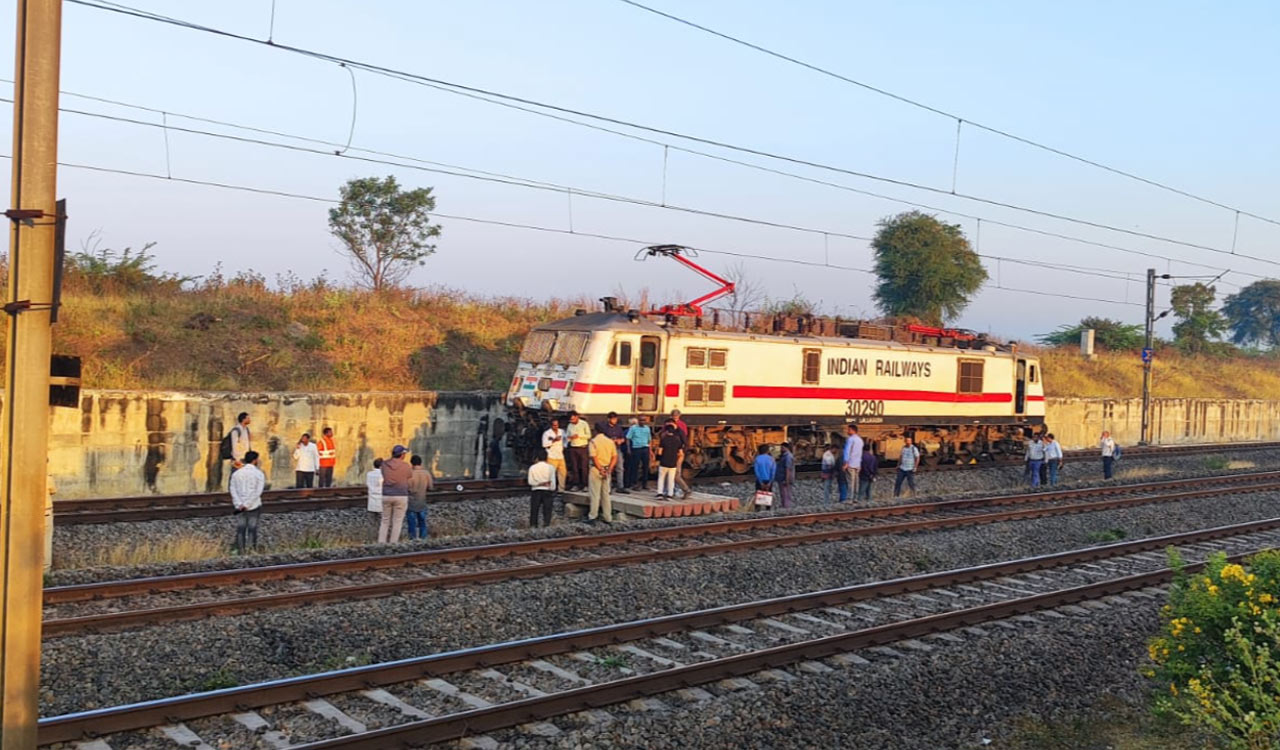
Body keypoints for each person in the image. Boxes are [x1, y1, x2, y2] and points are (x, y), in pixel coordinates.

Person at [229, 450, 265, 554]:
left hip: (239, 507)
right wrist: (247, 504)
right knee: (252, 528)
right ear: (255, 460)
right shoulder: (259, 474)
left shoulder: (236, 474)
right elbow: (258, 492)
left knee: (241, 528)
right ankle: (251, 550)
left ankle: (241, 550)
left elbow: (232, 489)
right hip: (253, 506)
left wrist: (239, 503)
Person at [378, 445, 412, 543]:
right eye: (404, 453)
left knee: (385, 520)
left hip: (386, 494)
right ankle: (393, 543)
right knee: (397, 521)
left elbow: (383, 473)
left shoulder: (384, 464)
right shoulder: (406, 466)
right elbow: (409, 475)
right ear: (401, 455)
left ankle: (381, 542)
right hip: (401, 495)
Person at [587, 427, 617, 523]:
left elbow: (594, 457)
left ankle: (593, 516)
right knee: (606, 494)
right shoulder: (610, 442)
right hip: (607, 469)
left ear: (596, 431)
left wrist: (600, 469)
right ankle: (608, 517)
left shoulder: (593, 442)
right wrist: (609, 469)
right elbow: (615, 457)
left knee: (595, 494)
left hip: (596, 469)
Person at [600, 412, 630, 494]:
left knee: (620, 468)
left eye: (615, 419)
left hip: (617, 449)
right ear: (609, 419)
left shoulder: (618, 428)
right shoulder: (604, 428)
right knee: (609, 468)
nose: (615, 420)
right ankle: (607, 487)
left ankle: (620, 486)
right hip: (608, 450)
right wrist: (611, 441)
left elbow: (623, 438)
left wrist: (620, 441)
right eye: (613, 419)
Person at [527, 448, 557, 528]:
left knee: (534, 509)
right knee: (547, 509)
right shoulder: (551, 468)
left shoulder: (532, 468)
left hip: (536, 491)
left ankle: (533, 524)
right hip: (547, 490)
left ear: (537, 457)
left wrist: (538, 484)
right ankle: (546, 524)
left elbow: (530, 482)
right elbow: (553, 482)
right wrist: (551, 488)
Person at [407, 454, 433, 540]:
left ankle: (412, 538)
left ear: (411, 463)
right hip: (422, 501)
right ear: (420, 463)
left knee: (411, 523)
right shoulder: (426, 473)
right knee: (422, 522)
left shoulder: (409, 474)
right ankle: (423, 538)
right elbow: (430, 487)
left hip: (411, 502)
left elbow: (406, 487)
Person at [655, 421, 683, 500]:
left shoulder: (664, 440)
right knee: (671, 479)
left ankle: (660, 493)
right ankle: (669, 495)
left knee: (661, 478)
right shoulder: (678, 440)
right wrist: (677, 460)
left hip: (664, 462)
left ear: (667, 431)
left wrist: (658, 459)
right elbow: (680, 453)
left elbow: (660, 451)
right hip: (673, 462)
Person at [565, 412, 592, 491]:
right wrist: (570, 437)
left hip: (582, 447)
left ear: (577, 417)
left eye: (573, 419)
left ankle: (585, 484)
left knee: (584, 467)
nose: (572, 421)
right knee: (574, 467)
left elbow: (589, 435)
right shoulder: (569, 425)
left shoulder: (584, 424)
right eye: (571, 420)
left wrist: (579, 436)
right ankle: (576, 484)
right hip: (573, 447)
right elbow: (567, 436)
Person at [626, 415, 653, 491]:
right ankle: (634, 483)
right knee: (635, 466)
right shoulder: (633, 428)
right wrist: (629, 449)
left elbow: (649, 440)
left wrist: (650, 451)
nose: (642, 422)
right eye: (641, 420)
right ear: (638, 420)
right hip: (636, 448)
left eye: (644, 420)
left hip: (645, 448)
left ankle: (645, 484)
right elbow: (628, 438)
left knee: (645, 467)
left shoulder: (647, 428)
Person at [670, 409, 693, 499]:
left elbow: (683, 439)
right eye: (674, 416)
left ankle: (686, 490)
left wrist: (681, 450)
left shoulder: (680, 426)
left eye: (676, 416)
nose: (675, 417)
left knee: (675, 474)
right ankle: (673, 491)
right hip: (673, 451)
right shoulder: (677, 425)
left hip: (677, 451)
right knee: (673, 473)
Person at [541, 418, 567, 491]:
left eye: (557, 425)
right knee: (551, 474)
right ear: (551, 425)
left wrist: (565, 446)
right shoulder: (547, 433)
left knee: (563, 473)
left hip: (560, 456)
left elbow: (565, 440)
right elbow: (544, 444)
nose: (555, 426)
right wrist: (554, 440)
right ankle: (551, 489)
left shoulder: (562, 431)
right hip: (552, 456)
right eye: (554, 425)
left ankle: (561, 489)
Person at [228, 412, 252, 482]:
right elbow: (234, 445)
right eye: (248, 418)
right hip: (238, 458)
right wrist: (237, 459)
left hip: (245, 457)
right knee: (235, 476)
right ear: (243, 419)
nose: (249, 419)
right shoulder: (236, 430)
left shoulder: (246, 429)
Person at [843, 425, 864, 502]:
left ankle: (850, 499)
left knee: (850, 482)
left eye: (848, 430)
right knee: (856, 482)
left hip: (850, 464)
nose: (847, 432)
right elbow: (860, 453)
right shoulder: (860, 440)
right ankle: (856, 498)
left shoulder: (850, 439)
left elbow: (847, 452)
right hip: (857, 464)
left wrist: (845, 463)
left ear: (852, 430)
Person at [753, 445, 776, 510]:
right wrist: (770, 482)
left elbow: (756, 471)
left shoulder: (757, 459)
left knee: (759, 494)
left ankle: (758, 509)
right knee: (768, 494)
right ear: (767, 450)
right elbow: (773, 472)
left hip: (760, 480)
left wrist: (760, 482)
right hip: (769, 479)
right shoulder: (771, 459)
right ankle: (768, 508)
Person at [366, 458, 384, 540]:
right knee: (382, 522)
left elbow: (368, 484)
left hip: (371, 501)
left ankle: (370, 538)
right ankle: (381, 538)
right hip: (381, 500)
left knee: (371, 522)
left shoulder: (369, 474)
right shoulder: (383, 475)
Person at [777, 442, 795, 509]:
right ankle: (784, 506)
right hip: (782, 477)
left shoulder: (788, 457)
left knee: (786, 493)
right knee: (783, 493)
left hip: (784, 478)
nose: (780, 449)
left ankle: (786, 507)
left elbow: (788, 469)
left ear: (786, 448)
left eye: (782, 447)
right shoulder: (784, 456)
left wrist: (787, 479)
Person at [835, 437, 850, 502]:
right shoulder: (844, 458)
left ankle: (842, 498)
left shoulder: (840, 458)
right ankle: (843, 499)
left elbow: (836, 467)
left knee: (842, 486)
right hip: (843, 475)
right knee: (844, 486)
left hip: (841, 475)